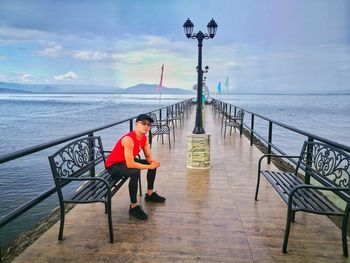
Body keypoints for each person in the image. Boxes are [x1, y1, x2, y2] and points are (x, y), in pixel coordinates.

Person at [105, 114, 166, 220]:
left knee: (151, 166)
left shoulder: (144, 138)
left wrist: (153, 163)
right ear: (136, 124)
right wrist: (149, 166)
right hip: (113, 166)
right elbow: (130, 164)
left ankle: (150, 194)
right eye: (144, 123)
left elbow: (148, 157)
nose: (146, 126)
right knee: (135, 171)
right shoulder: (128, 139)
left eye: (149, 124)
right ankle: (133, 206)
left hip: (125, 162)